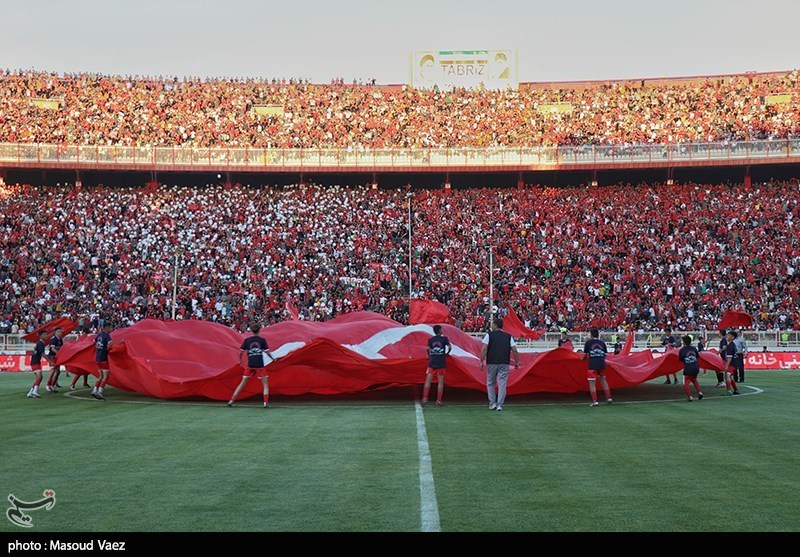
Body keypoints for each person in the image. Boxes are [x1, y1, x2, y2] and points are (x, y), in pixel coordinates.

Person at [228, 323, 276, 409]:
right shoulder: (262, 340)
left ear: (251, 331)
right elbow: (267, 352)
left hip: (250, 365)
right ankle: (265, 403)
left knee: (242, 384)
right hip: (259, 365)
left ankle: (231, 401)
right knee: (265, 384)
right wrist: (273, 359)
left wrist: (240, 360)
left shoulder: (247, 340)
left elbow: (241, 352)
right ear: (259, 330)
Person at [479, 318, 519, 411]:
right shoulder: (508, 336)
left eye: (493, 324)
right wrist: (517, 361)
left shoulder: (489, 335)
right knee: (502, 383)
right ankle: (500, 404)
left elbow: (484, 348)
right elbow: (514, 350)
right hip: (504, 362)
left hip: (492, 362)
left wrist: (481, 361)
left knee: (490, 383)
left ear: (495, 325)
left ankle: (492, 403)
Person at [581, 328, 613, 407]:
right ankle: (609, 397)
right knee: (603, 379)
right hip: (602, 364)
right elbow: (605, 354)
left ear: (591, 334)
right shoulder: (602, 343)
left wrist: (581, 359)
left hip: (593, 365)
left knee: (592, 383)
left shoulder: (588, 343)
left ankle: (595, 401)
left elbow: (585, 355)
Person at [421, 324, 451, 407]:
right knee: (440, 381)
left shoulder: (431, 339)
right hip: (441, 362)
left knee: (428, 380)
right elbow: (449, 347)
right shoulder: (444, 339)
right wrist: (446, 354)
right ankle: (439, 400)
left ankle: (425, 398)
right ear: (440, 331)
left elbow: (427, 349)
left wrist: (429, 355)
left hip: (432, 362)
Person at [678, 335, 704, 401]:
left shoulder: (682, 350)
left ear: (683, 342)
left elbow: (680, 359)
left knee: (686, 382)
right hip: (695, 366)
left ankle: (689, 396)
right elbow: (698, 356)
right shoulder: (694, 348)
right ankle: (699, 392)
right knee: (694, 379)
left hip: (688, 368)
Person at [91, 323, 113, 400]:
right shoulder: (107, 335)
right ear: (107, 328)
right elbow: (110, 344)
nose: (111, 329)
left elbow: (93, 341)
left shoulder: (99, 335)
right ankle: (100, 392)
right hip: (103, 358)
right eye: (110, 328)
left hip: (98, 358)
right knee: (106, 376)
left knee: (100, 376)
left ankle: (94, 390)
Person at [26, 331, 47, 398]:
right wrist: (49, 361)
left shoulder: (39, 343)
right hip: (35, 362)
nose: (46, 335)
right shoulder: (41, 343)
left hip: (35, 361)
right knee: (40, 377)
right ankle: (35, 391)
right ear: (40, 336)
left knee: (39, 377)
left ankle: (30, 392)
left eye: (46, 334)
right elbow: (42, 354)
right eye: (44, 334)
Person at [721, 330, 741, 396]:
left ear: (732, 337)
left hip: (732, 363)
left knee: (727, 375)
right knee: (730, 377)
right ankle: (736, 389)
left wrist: (726, 366)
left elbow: (729, 357)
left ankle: (729, 390)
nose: (727, 336)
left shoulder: (730, 346)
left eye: (729, 335)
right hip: (735, 363)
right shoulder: (731, 345)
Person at [44, 327, 64, 392]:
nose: (60, 333)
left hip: (57, 357)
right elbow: (52, 349)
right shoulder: (53, 339)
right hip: (52, 356)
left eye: (60, 332)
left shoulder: (60, 339)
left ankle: (53, 385)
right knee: (52, 371)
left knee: (58, 371)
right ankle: (48, 385)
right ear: (55, 332)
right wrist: (59, 353)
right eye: (58, 332)